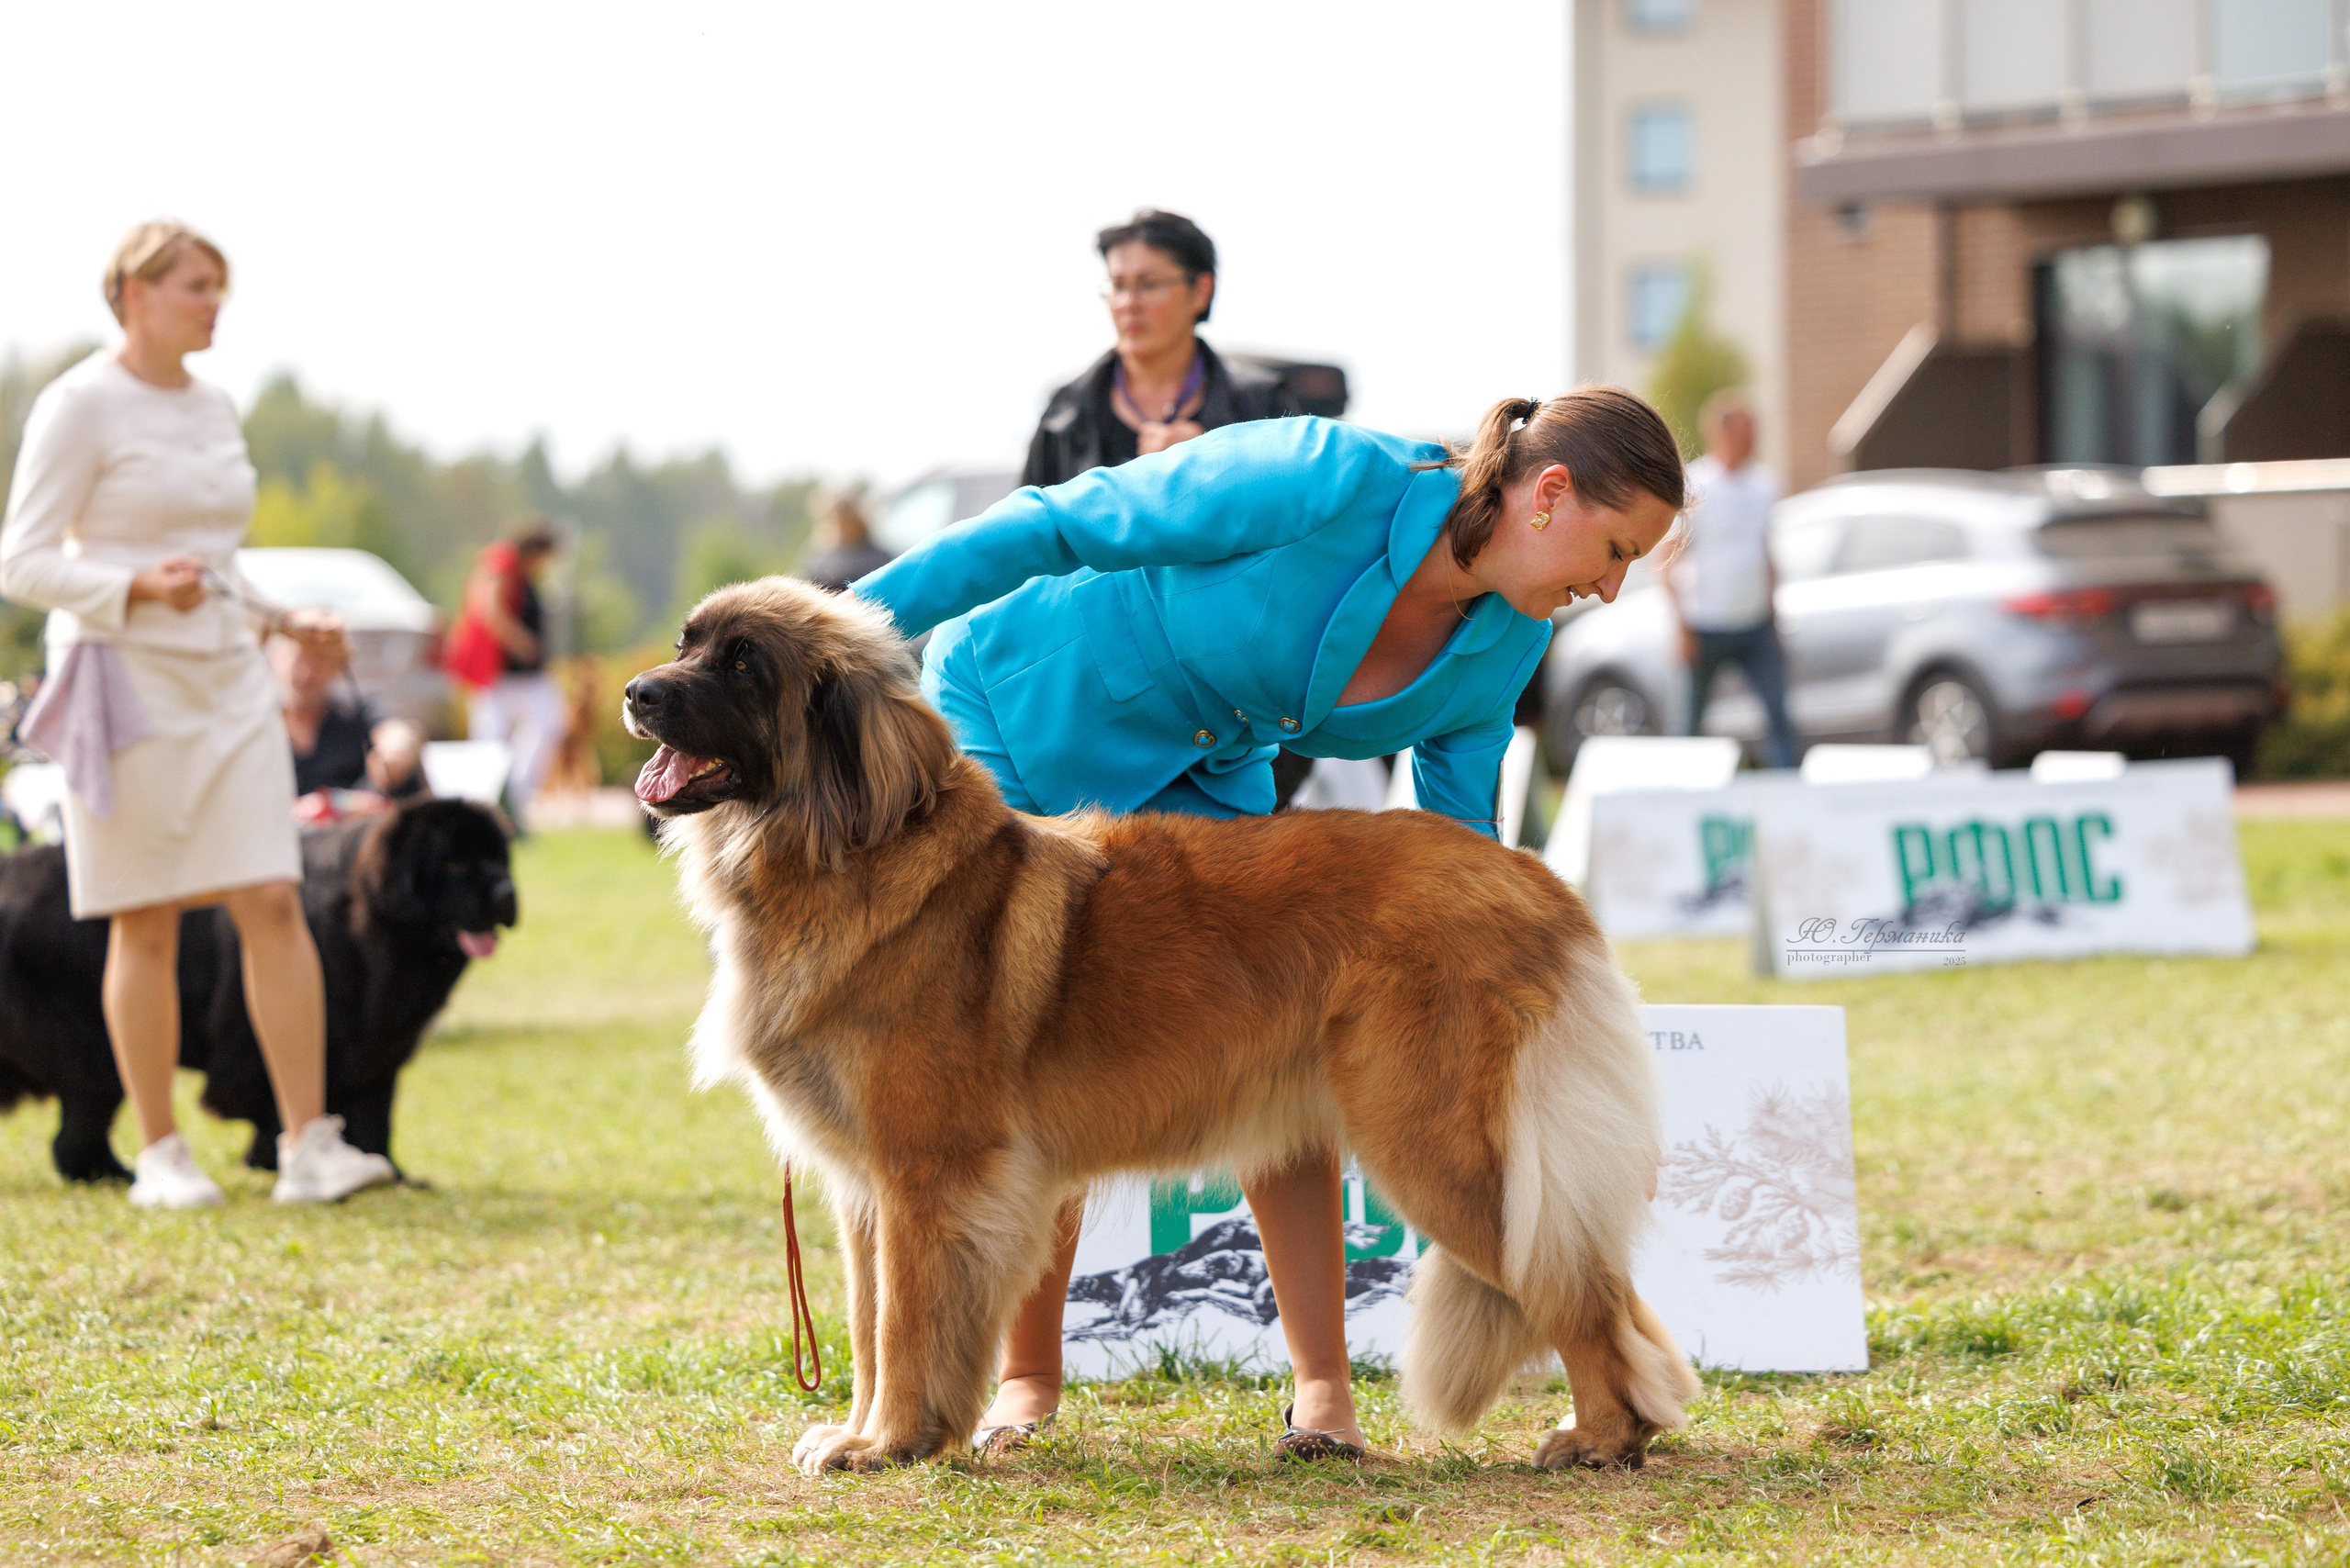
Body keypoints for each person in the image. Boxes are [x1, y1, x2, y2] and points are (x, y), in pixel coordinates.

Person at [854, 389, 1685, 1459]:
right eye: (1615, 552)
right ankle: (1026, 1380)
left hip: (1205, 772)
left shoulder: (1504, 642)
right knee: (1028, 1055)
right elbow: (1055, 522)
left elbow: (1456, 844)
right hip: (1029, 712)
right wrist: (840, 632)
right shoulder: (1321, 477)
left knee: (1280, 1056)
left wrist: (1493, 1021)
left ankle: (1326, 1388)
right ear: (1549, 494)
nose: (1611, 590)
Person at [0, 220, 399, 1207]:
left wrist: (288, 620)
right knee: (143, 917)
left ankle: (309, 1145)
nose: (214, 304)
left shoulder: (217, 406)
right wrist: (136, 586)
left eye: (220, 286)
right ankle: (162, 1156)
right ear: (135, 293)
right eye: (196, 285)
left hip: (229, 680)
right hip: (122, 684)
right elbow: (22, 561)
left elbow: (219, 565)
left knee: (272, 897)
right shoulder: (78, 404)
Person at [1022, 209, 1308, 488]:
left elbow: (1294, 509)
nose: (1128, 304)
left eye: (1149, 284)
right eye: (1118, 286)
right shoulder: (1064, 414)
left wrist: (1216, 462)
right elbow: (1029, 517)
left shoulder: (1262, 405)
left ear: (1201, 291)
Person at [1667, 389, 1798, 769]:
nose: (1754, 438)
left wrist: (1773, 614)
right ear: (1722, 432)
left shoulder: (1765, 485)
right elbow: (1670, 557)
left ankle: (1787, 786)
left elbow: (1765, 551)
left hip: (1755, 623)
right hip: (1705, 623)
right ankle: (1683, 787)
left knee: (1778, 714)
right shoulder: (1697, 484)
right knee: (1690, 721)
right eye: (1747, 429)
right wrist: (1680, 625)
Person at [448, 521, 566, 824]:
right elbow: (491, 609)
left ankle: (511, 798)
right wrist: (521, 641)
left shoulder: (519, 572)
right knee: (490, 742)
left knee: (541, 727)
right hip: (503, 674)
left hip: (523, 676)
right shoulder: (503, 564)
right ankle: (487, 804)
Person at [271, 630, 424, 803]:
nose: (307, 673)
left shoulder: (354, 711)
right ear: (277, 660)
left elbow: (395, 730)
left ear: (337, 668)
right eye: (299, 658)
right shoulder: (262, 722)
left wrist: (395, 751)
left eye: (319, 661)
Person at [797, 492, 892, 592]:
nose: (842, 524)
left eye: (846, 517)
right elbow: (807, 588)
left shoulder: (877, 556)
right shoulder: (820, 559)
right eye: (836, 518)